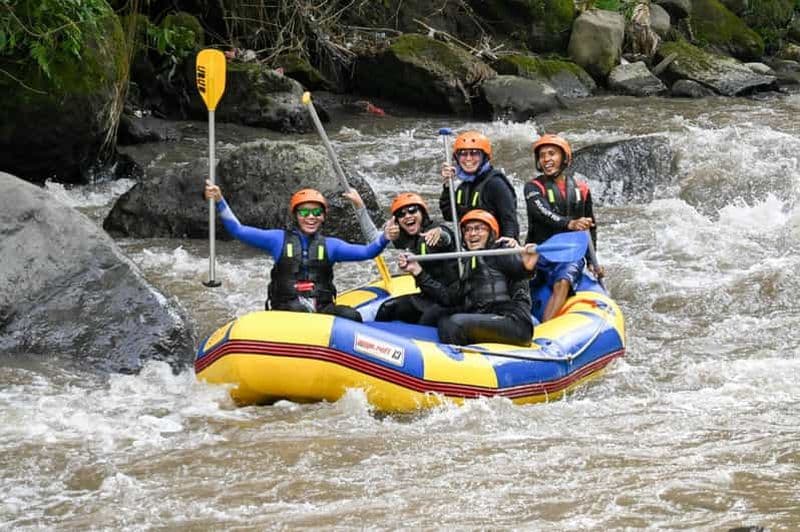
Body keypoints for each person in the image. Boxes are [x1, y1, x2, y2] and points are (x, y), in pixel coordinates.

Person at [204, 182, 393, 322]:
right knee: (298, 310)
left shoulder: (331, 246)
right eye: (304, 213)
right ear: (296, 216)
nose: (311, 217)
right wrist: (220, 200)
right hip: (287, 310)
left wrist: (383, 235)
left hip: (322, 309)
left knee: (352, 316)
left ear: (323, 216)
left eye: (316, 213)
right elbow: (238, 230)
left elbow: (368, 252)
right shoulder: (277, 239)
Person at [403, 210, 539, 346]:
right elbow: (448, 298)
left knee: (454, 324)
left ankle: (459, 364)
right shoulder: (470, 263)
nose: (472, 234)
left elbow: (520, 270)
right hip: (487, 316)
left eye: (478, 228)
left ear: (491, 233)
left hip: (513, 322)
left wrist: (527, 265)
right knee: (436, 315)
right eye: (467, 230)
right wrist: (417, 271)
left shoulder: (502, 250)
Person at [344, 189, 460, 324]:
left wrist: (440, 233)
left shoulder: (435, 232)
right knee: (387, 309)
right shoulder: (406, 237)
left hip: (451, 299)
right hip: (429, 296)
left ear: (422, 213)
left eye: (412, 210)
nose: (408, 216)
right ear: (397, 221)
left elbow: (446, 238)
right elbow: (373, 237)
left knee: (426, 320)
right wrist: (359, 205)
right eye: (401, 214)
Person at [523, 133, 604, 322]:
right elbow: (541, 211)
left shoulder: (581, 189)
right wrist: (569, 223)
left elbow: (590, 226)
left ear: (564, 158)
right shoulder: (533, 187)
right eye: (542, 156)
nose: (546, 159)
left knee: (563, 281)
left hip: (569, 254)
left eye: (552, 154)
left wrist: (592, 260)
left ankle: (546, 328)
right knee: (517, 280)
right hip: (540, 251)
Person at [439, 130, 520, 241]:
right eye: (463, 153)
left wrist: (508, 243)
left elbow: (509, 220)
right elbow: (449, 215)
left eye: (474, 153)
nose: (468, 158)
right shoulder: (464, 187)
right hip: (473, 245)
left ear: (484, 157)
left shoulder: (496, 183)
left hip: (495, 248)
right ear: (457, 158)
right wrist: (447, 186)